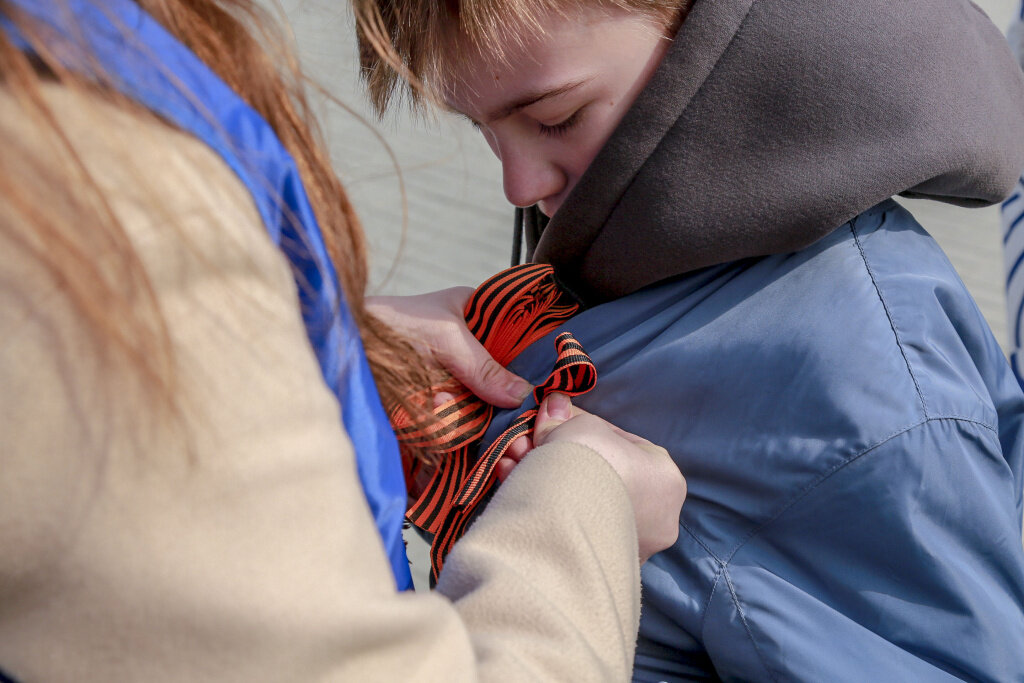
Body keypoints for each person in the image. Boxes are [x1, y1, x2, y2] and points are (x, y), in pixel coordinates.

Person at [0, 0, 687, 680]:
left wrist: (332, 351)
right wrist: (584, 506)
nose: (517, 188)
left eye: (557, 119)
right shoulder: (83, 164)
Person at [355, 0, 1024, 680]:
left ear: (713, 40)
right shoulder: (647, 282)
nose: (519, 184)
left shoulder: (863, 388)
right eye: (484, 129)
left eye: (557, 119)